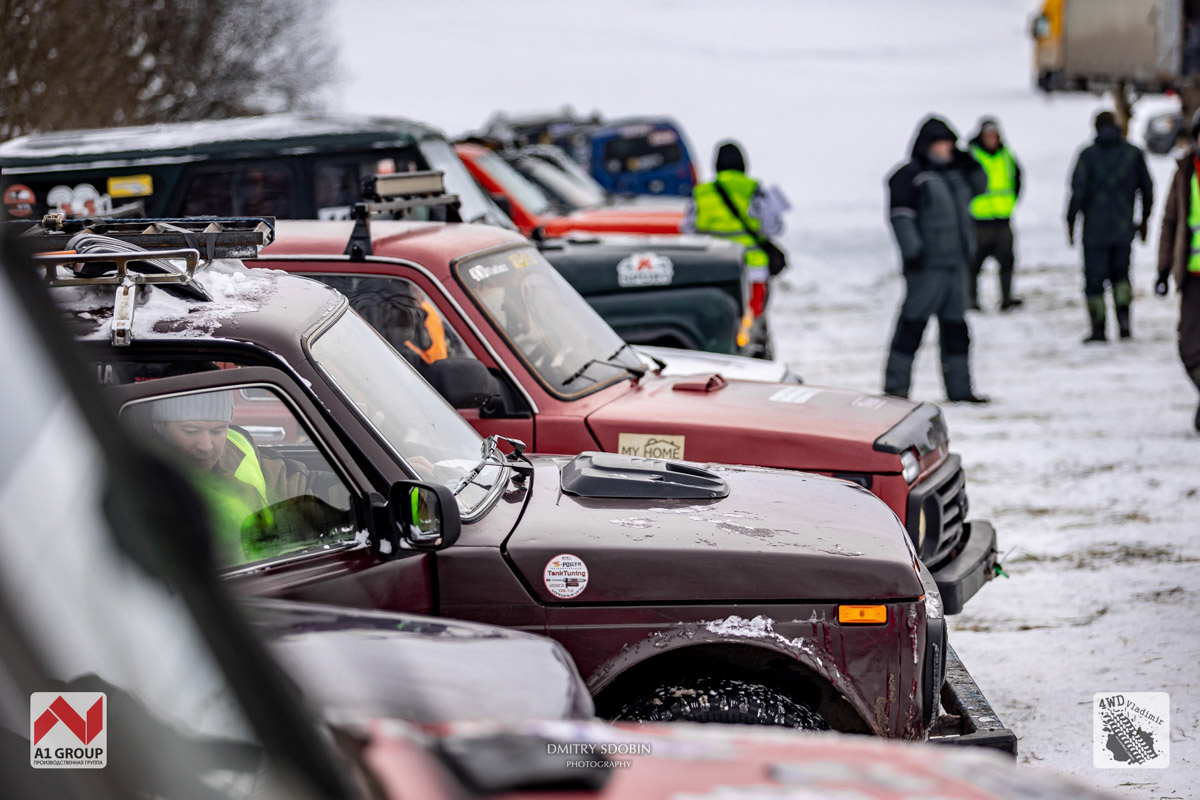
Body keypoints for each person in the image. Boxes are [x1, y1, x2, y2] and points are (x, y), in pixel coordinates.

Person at [150, 389, 349, 564]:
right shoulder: (145, 483)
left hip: (281, 567)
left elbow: (293, 482)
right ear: (159, 426)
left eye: (217, 430)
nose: (206, 445)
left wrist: (348, 493)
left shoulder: (238, 444)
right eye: (191, 431)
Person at [883, 116, 989, 403]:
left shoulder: (955, 174)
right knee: (912, 327)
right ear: (929, 145)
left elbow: (981, 187)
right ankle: (896, 390)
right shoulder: (910, 175)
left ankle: (960, 390)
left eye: (952, 143)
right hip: (927, 267)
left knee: (956, 330)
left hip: (956, 266)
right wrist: (913, 252)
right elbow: (901, 217)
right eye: (944, 143)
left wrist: (971, 163)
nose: (949, 149)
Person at [1067, 111, 1154, 343]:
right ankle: (1124, 324)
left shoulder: (1087, 156)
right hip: (1123, 229)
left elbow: (1078, 192)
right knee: (1121, 276)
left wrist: (1070, 221)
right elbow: (1147, 188)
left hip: (1094, 232)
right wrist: (1145, 219)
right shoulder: (1132, 153)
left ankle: (1098, 329)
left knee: (1094, 282)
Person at [683, 140, 786, 316]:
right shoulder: (753, 188)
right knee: (753, 319)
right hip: (753, 267)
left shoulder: (701, 192)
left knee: (717, 318)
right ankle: (754, 337)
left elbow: (687, 229)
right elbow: (772, 227)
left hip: (713, 267)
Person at [1155, 108, 1200, 432]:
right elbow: (1170, 222)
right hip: (1193, 277)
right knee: (1189, 347)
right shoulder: (1185, 172)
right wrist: (1162, 269)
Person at [967, 117, 1023, 311]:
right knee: (973, 264)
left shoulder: (1007, 155)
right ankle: (971, 299)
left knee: (1007, 260)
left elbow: (1017, 179)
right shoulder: (971, 156)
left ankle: (1007, 298)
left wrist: (1010, 202)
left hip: (1002, 219)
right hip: (978, 220)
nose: (991, 138)